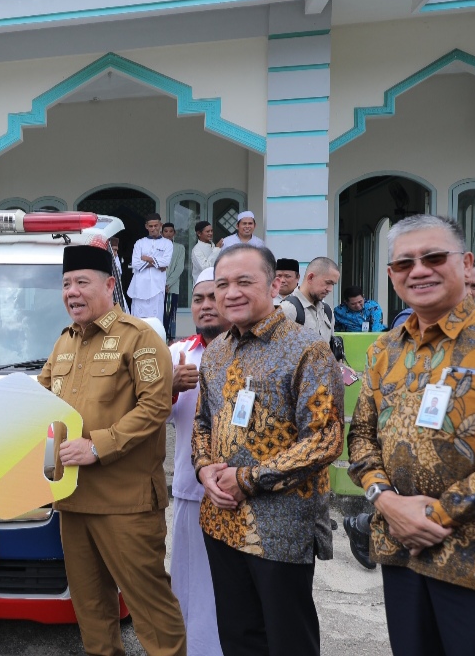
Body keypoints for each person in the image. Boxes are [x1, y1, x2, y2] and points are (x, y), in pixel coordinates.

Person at [193, 243, 344, 656]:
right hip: (221, 521)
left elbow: (325, 438)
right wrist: (205, 468)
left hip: (280, 527)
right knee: (238, 636)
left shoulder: (306, 349)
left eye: (245, 281)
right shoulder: (218, 350)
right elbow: (202, 422)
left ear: (273, 284)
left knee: (286, 640)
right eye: (223, 284)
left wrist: (248, 478)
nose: (231, 293)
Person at [38, 243, 186, 656]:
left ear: (108, 285)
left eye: (82, 282)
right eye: (66, 284)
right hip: (72, 502)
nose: (72, 292)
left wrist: (98, 446)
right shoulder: (63, 342)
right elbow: (38, 404)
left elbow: (155, 406)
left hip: (127, 505)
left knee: (151, 612)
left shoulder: (138, 338)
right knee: (92, 614)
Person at [348, 215, 475, 655]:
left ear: (466, 263)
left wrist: (437, 515)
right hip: (400, 550)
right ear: (390, 275)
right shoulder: (386, 349)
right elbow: (361, 437)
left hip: (468, 556)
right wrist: (386, 503)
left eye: (434, 257)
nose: (418, 270)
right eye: (404, 263)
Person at [167, 267, 229, 656]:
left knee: (231, 591)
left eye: (213, 297)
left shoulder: (252, 352)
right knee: (190, 590)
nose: (206, 306)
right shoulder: (176, 354)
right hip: (192, 491)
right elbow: (148, 419)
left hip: (246, 492)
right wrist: (167, 388)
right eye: (198, 299)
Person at [279, 256, 340, 343]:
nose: (330, 289)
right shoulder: (288, 309)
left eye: (333, 284)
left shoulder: (327, 311)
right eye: (327, 283)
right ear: (310, 277)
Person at [128, 212, 172, 323]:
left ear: (160, 225)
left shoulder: (167, 243)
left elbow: (166, 261)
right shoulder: (139, 243)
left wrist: (147, 258)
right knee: (139, 319)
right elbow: (135, 263)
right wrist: (157, 264)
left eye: (156, 226)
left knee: (156, 319)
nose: (153, 229)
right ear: (146, 226)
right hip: (139, 286)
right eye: (151, 226)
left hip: (157, 286)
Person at [162, 222, 185, 341]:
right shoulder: (158, 247)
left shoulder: (179, 248)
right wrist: (161, 284)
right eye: (166, 231)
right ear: (162, 233)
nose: (168, 234)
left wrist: (168, 283)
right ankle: (160, 339)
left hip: (172, 287)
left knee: (170, 313)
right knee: (159, 313)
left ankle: (170, 340)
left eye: (171, 231)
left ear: (174, 233)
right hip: (158, 287)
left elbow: (179, 268)